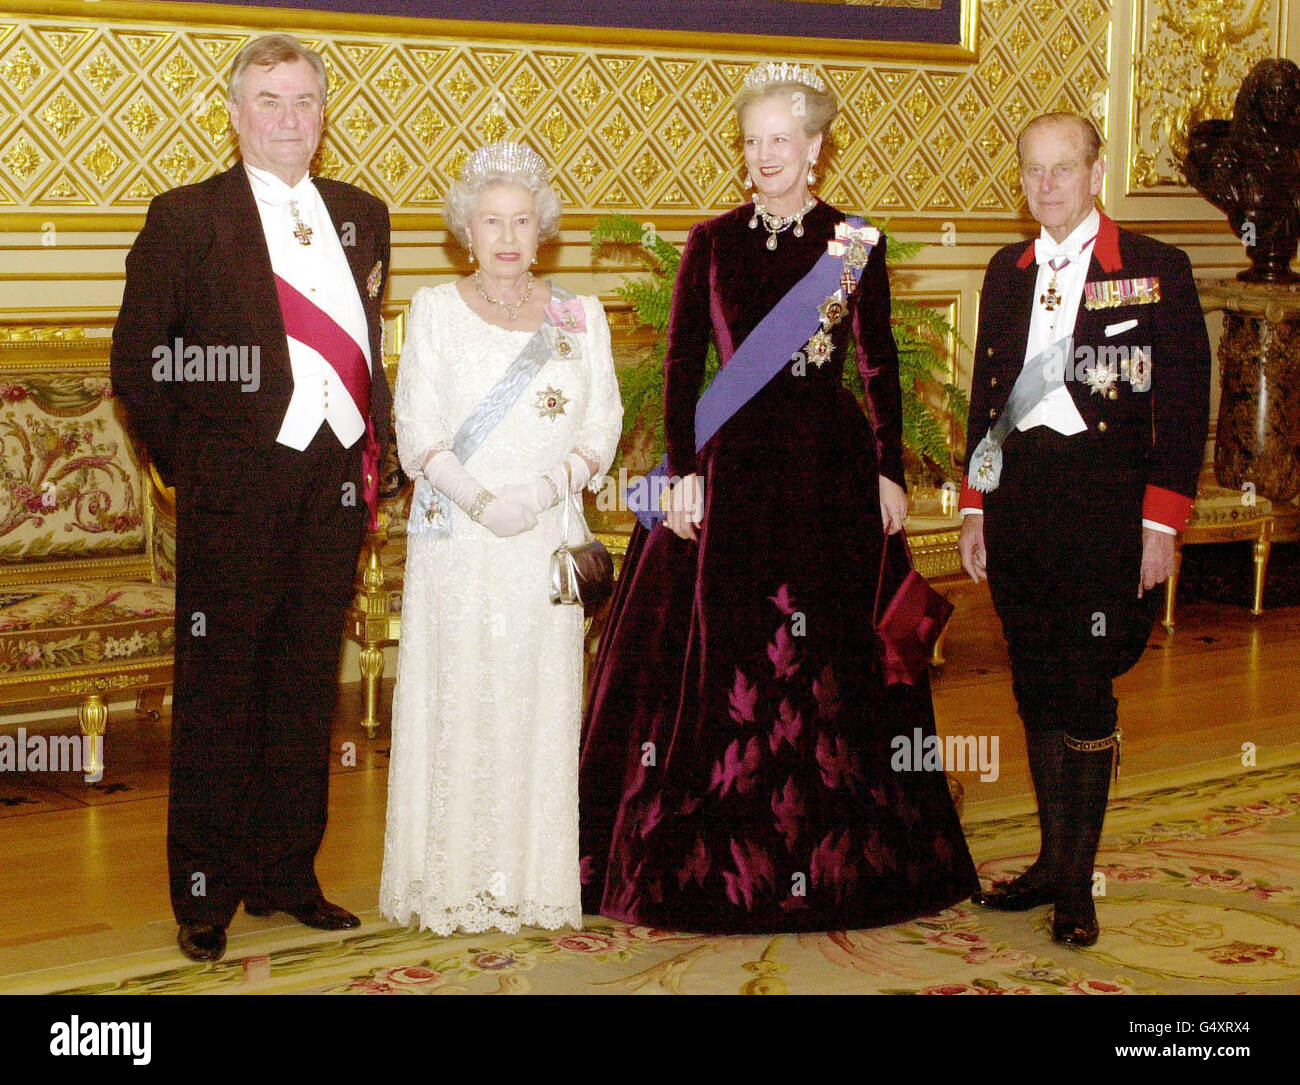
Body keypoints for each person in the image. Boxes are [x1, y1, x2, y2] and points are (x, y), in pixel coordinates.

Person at [577, 62, 979, 933]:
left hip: (830, 473)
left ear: (815, 149)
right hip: (736, 472)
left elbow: (877, 366)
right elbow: (684, 367)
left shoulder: (852, 243)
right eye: (752, 140)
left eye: (780, 141)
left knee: (835, 650)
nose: (764, 154)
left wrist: (889, 475)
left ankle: (842, 857)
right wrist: (681, 471)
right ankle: (722, 853)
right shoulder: (711, 241)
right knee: (729, 648)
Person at [111, 34, 392, 962]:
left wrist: (374, 457)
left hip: (331, 487)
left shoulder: (362, 214)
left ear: (324, 113)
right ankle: (204, 891)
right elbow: (142, 367)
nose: (289, 118)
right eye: (268, 100)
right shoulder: (187, 217)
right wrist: (197, 466)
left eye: (305, 100)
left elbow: (364, 352)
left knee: (307, 684)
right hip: (236, 488)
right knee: (221, 692)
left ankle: (287, 872)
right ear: (234, 115)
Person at [958, 113, 1211, 946]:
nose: (1047, 185)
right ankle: (1050, 860)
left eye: (1064, 169)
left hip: (1106, 513)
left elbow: (1181, 411)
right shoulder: (1006, 271)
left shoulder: (1154, 269)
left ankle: (1078, 883)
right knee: (1034, 684)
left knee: (1086, 687)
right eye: (1033, 170)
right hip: (1022, 507)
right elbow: (988, 401)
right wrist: (974, 505)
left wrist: (1161, 525)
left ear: (1097, 173)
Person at [380, 142, 623, 935]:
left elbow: (603, 424)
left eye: (523, 220)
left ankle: (530, 879)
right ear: (467, 229)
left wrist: (545, 490)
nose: (509, 237)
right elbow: (416, 430)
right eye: (492, 221)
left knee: (537, 697)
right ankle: (451, 880)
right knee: (461, 692)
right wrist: (485, 501)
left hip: (545, 537)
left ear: (542, 228)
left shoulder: (576, 317)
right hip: (460, 536)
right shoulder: (436, 310)